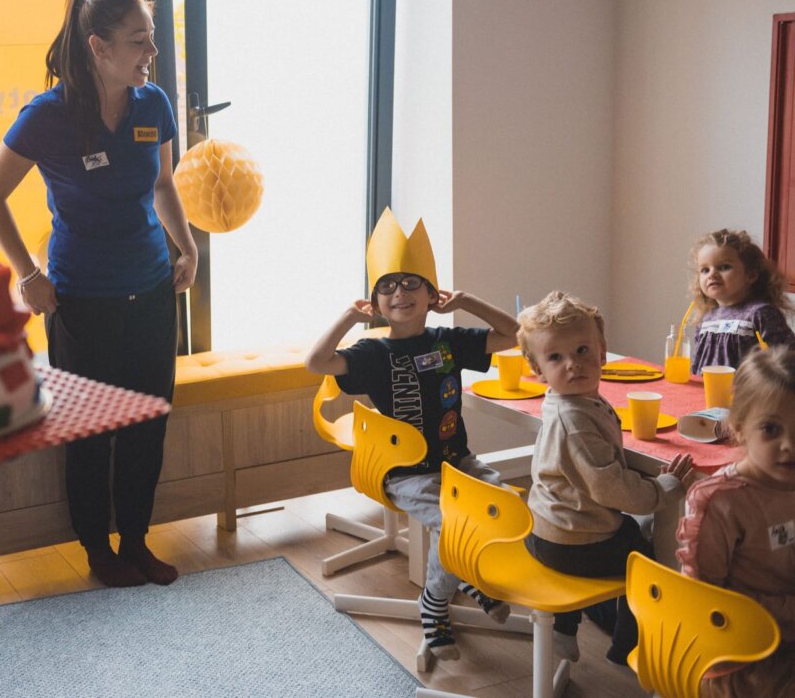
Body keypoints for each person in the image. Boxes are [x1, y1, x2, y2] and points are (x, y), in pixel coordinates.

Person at [0, 0, 197, 588]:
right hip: (80, 300)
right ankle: (98, 550)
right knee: (91, 431)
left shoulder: (153, 105)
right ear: (99, 48)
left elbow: (164, 186)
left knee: (147, 424)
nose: (152, 50)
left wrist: (188, 245)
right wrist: (28, 274)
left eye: (150, 36)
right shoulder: (48, 116)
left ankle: (135, 541)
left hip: (150, 290)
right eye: (138, 40)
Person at [305, 214, 519, 660]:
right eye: (388, 286)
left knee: (503, 504)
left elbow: (513, 335)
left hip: (456, 461)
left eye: (411, 284)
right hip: (404, 473)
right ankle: (436, 601)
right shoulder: (372, 351)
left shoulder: (449, 341)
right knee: (454, 523)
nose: (399, 293)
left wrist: (466, 300)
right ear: (377, 301)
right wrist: (349, 316)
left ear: (431, 295)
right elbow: (316, 363)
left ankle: (465, 577)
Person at [517, 291, 694, 664]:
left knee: (630, 529)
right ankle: (626, 649)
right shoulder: (575, 421)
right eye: (555, 357)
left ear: (602, 351)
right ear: (538, 369)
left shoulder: (570, 401)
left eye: (582, 351)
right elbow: (610, 487)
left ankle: (567, 627)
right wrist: (661, 490)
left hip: (547, 529)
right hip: (571, 542)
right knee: (647, 562)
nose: (573, 364)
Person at [676, 346, 795, 697]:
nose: (790, 445)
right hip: (737, 656)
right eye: (771, 429)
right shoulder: (720, 501)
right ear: (740, 429)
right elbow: (707, 604)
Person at [689, 228, 794, 375]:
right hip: (706, 395)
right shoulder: (707, 319)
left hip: (748, 396)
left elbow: (787, 361)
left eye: (724, 267)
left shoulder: (760, 313)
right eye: (705, 270)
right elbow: (697, 365)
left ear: (751, 275)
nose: (712, 274)